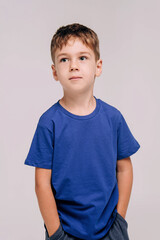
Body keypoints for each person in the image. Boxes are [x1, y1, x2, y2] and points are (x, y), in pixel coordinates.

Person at [24, 23, 140, 240]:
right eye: (64, 59)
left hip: (110, 230)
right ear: (54, 72)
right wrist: (56, 233)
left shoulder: (113, 118)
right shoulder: (49, 122)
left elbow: (124, 169)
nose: (73, 66)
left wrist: (120, 221)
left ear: (98, 66)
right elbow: (42, 183)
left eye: (82, 58)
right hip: (65, 231)